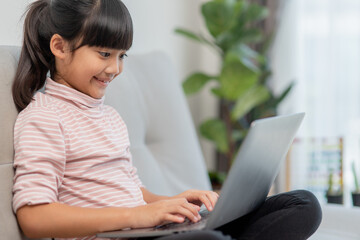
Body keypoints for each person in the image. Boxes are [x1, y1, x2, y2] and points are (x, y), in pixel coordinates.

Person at [11, 0, 322, 239]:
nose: (115, 68)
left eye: (122, 56)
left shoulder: (109, 115)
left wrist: (170, 203)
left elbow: (131, 189)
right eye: (104, 54)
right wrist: (136, 217)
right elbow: (34, 216)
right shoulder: (44, 117)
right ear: (59, 47)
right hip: (116, 234)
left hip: (143, 231)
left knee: (303, 204)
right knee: (210, 239)